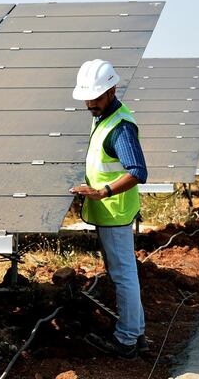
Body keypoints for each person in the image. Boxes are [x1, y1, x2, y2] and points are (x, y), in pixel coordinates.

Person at [69, 59, 149, 359]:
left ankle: (126, 340)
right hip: (111, 211)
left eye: (96, 97)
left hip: (114, 212)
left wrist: (102, 192)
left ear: (112, 90)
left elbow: (138, 171)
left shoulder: (120, 128)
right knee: (124, 273)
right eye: (87, 98)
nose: (90, 103)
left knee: (123, 275)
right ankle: (136, 333)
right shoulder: (103, 115)